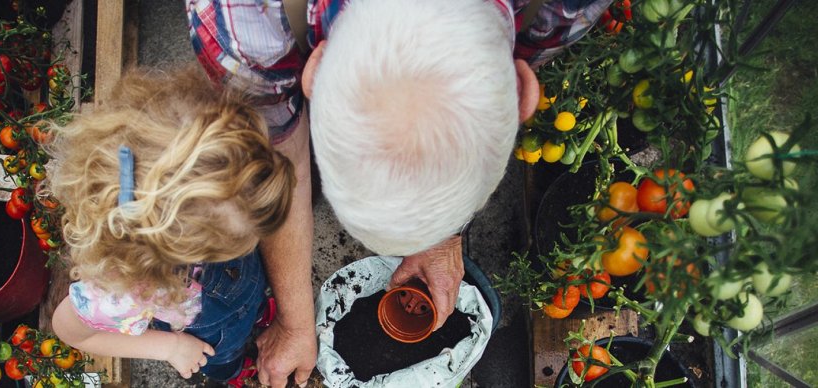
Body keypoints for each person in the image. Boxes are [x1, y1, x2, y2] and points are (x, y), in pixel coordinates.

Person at [188, 0, 614, 385]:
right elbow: (279, 158)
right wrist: (297, 322)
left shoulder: (564, 8)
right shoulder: (245, 27)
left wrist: (445, 240)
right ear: (524, 94)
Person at [48, 67, 295, 386]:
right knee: (223, 362)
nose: (257, 239)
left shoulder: (209, 188)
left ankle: (256, 311)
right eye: (245, 237)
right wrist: (171, 346)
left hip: (240, 286)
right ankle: (235, 367)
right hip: (209, 341)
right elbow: (71, 332)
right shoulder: (119, 293)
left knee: (253, 293)